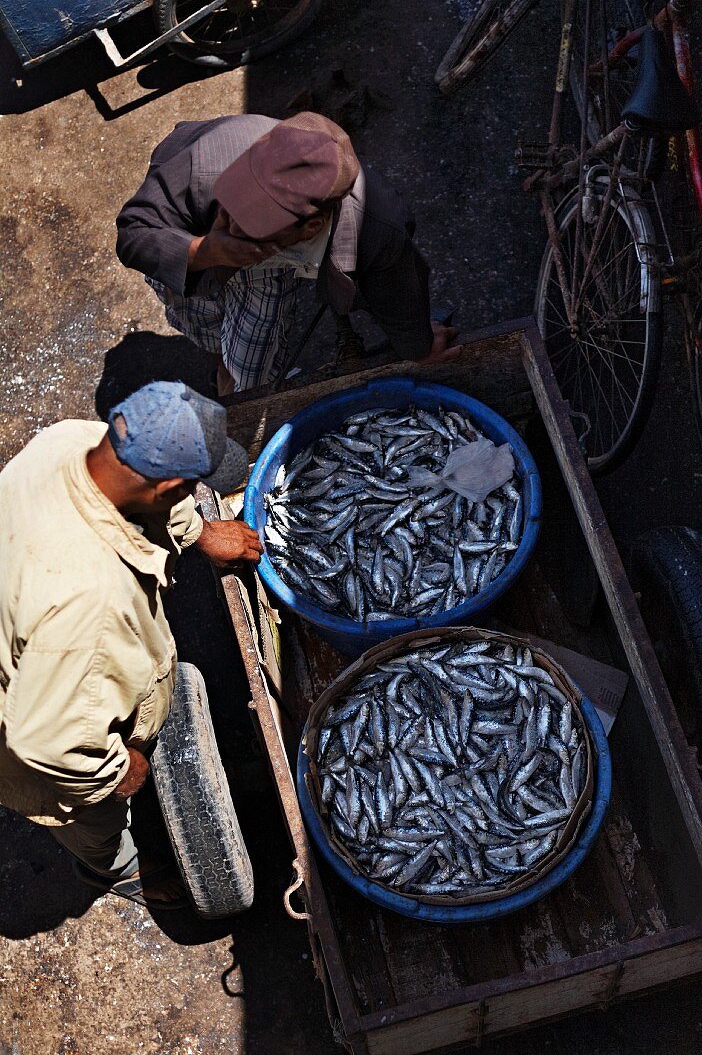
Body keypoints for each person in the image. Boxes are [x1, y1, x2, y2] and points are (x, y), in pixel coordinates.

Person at [0, 382, 262, 909]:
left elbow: (147, 504)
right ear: (169, 484)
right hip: (26, 725)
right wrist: (119, 768)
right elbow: (41, 744)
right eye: (191, 486)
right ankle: (118, 872)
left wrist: (197, 532)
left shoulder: (71, 442)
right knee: (92, 822)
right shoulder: (92, 605)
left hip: (25, 626)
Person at [116, 112, 459, 395]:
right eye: (234, 199)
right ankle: (223, 361)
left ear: (310, 228)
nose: (230, 223)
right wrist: (205, 250)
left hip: (269, 263)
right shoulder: (207, 164)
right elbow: (134, 235)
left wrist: (421, 347)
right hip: (197, 242)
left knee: (251, 373)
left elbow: (399, 294)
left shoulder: (379, 228)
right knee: (201, 321)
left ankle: (235, 383)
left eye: (253, 221)